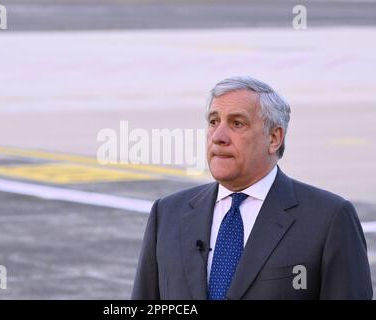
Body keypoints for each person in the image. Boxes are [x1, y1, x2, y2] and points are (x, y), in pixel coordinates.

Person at [131, 76, 373, 300]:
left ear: (274, 138)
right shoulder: (167, 214)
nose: (218, 136)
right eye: (213, 121)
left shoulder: (328, 219)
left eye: (237, 123)